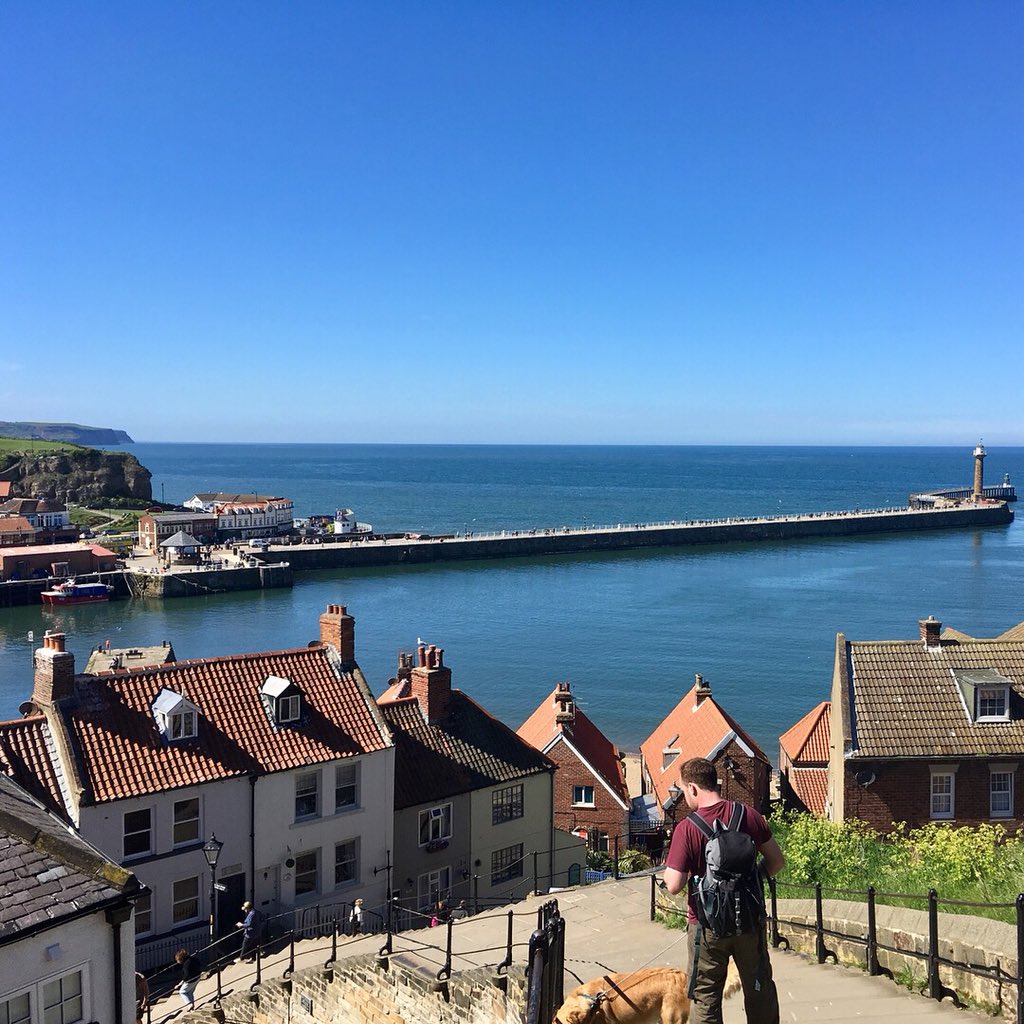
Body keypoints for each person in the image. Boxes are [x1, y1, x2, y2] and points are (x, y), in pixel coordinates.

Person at [662, 758, 784, 1024]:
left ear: (693, 788)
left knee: (705, 996)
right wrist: (750, 880)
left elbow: (674, 885)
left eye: (683, 790)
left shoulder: (687, 828)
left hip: (706, 926)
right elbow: (776, 862)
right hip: (749, 920)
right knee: (759, 988)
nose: (684, 797)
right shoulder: (748, 815)